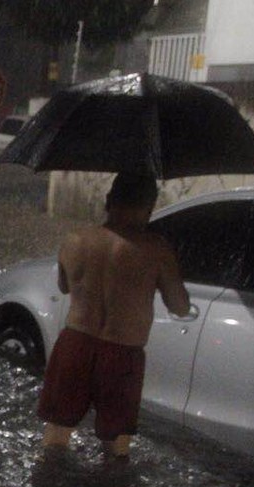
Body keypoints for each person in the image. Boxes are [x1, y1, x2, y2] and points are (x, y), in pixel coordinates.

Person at [37, 172, 192, 457]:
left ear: (109, 200)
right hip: (123, 352)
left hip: (75, 344)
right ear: (149, 207)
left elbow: (64, 285)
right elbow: (179, 306)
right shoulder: (156, 249)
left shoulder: (74, 240)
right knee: (116, 447)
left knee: (57, 433)